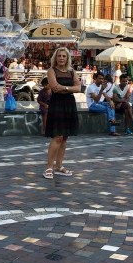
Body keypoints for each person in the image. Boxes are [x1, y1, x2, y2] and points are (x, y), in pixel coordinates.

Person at [44, 47, 80, 179]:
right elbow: (55, 88)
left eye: (64, 56)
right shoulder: (51, 71)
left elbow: (79, 88)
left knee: (65, 137)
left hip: (69, 104)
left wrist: (65, 88)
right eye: (59, 56)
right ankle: (48, 167)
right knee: (57, 137)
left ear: (67, 58)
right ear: (55, 57)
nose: (61, 58)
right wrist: (70, 89)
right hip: (57, 104)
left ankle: (59, 166)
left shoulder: (72, 72)